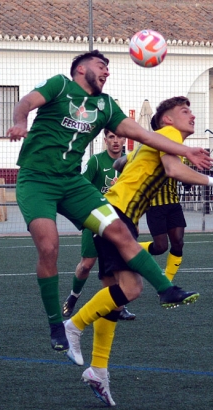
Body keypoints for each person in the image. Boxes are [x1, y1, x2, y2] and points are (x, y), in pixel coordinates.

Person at [6, 50, 213, 354]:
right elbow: (27, 102)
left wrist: (188, 150)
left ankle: (167, 290)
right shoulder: (60, 85)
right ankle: (55, 324)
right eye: (101, 66)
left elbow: (144, 134)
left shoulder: (105, 104)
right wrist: (20, 120)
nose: (106, 72)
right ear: (81, 69)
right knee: (49, 248)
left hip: (72, 183)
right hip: (36, 181)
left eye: (108, 68)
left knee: (119, 231)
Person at [64, 96, 213, 406]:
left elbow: (133, 164)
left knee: (114, 298)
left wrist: (123, 165)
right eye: (185, 111)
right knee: (132, 288)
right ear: (168, 120)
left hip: (114, 213)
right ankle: (72, 327)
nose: (192, 116)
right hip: (116, 213)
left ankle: (98, 370)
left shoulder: (155, 140)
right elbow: (172, 169)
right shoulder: (169, 136)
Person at [62, 129, 136, 321]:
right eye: (112, 137)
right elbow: (82, 186)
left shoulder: (131, 162)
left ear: (124, 139)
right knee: (86, 265)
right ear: (105, 140)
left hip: (119, 221)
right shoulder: (96, 161)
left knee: (120, 265)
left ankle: (120, 306)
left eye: (120, 136)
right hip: (96, 218)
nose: (116, 141)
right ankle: (73, 296)